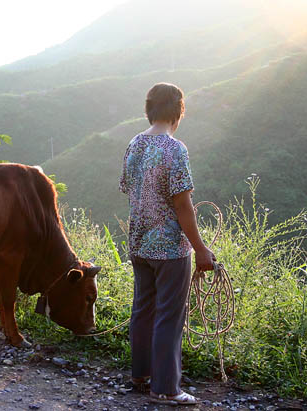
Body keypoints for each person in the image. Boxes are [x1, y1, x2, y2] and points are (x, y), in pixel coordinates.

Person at [119, 82, 216, 405]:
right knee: (169, 316)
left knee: (143, 310)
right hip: (170, 248)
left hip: (138, 243)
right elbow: (183, 206)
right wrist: (201, 249)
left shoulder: (134, 145)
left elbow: (129, 189)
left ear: (148, 110)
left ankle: (140, 376)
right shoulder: (175, 149)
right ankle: (166, 388)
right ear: (179, 112)